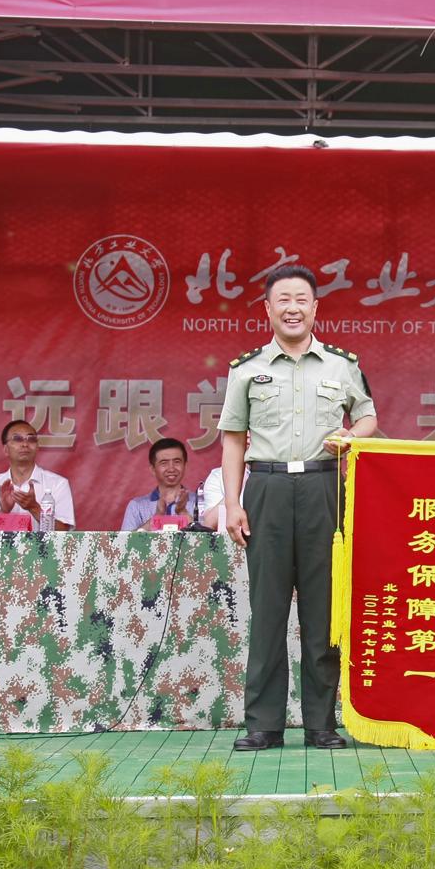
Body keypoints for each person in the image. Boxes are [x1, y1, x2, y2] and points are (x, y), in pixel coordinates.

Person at [220, 264, 378, 752]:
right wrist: (232, 504)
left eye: (301, 300)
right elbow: (232, 441)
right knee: (267, 610)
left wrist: (350, 436)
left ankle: (320, 723)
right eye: (283, 300)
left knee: (322, 610)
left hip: (323, 487)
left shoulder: (341, 365)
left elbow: (368, 416)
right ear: (268, 309)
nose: (292, 308)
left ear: (315, 308)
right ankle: (263, 723)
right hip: (266, 488)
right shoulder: (246, 369)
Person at [0, 420, 77, 531]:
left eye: (31, 439)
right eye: (17, 439)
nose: (25, 444)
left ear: (37, 447)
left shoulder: (57, 484)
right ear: (6, 449)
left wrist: (34, 508)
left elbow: (66, 533)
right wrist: (3, 512)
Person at [121, 438, 198, 531]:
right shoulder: (136, 505)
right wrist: (157, 516)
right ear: (153, 469)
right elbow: (126, 540)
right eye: (164, 463)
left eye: (177, 462)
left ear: (185, 466)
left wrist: (183, 512)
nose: (171, 469)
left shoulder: (199, 502)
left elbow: (209, 538)